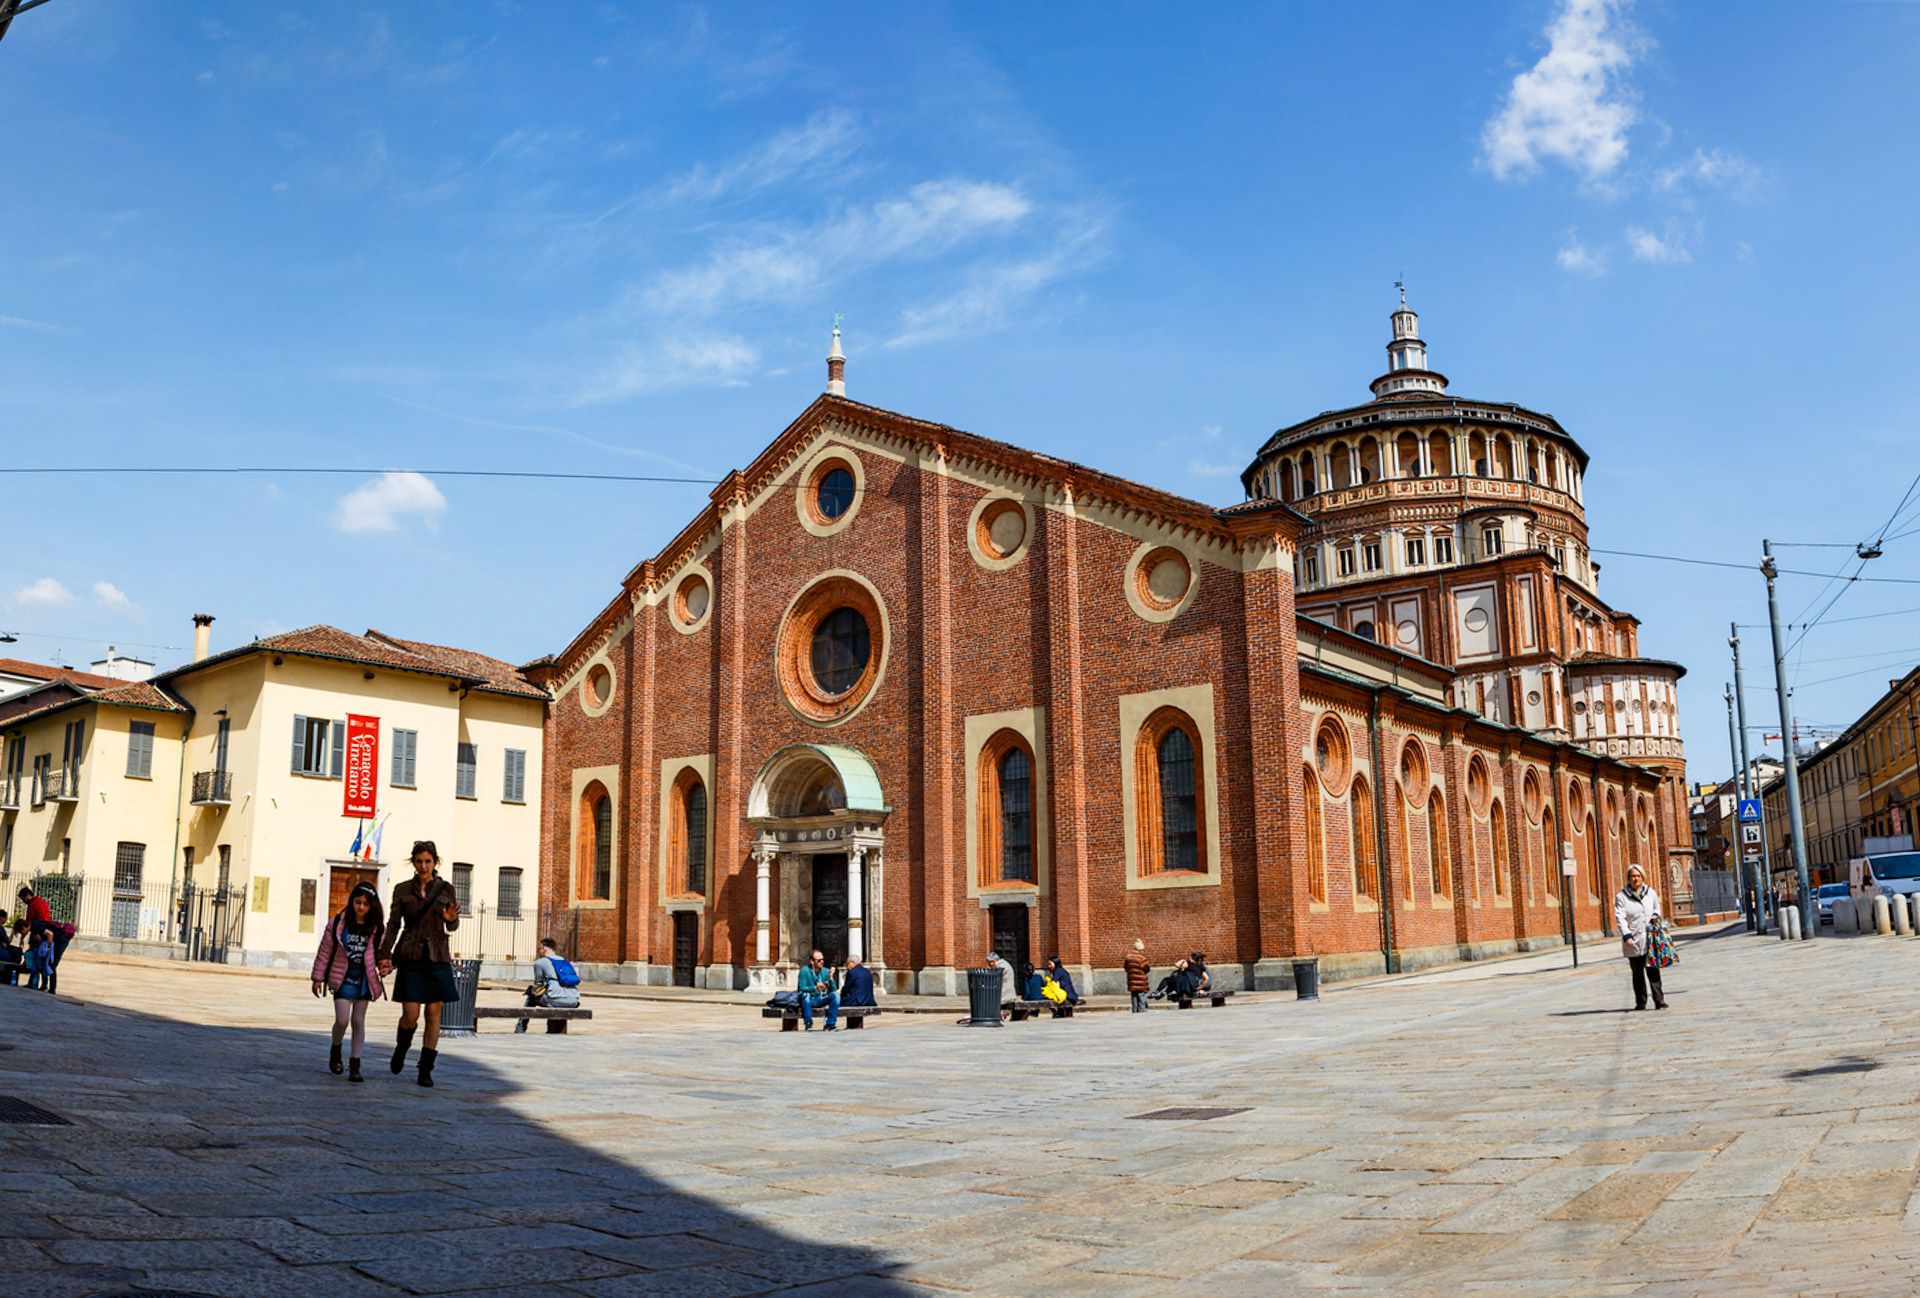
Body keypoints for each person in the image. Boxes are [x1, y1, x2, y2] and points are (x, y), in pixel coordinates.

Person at [378, 841, 463, 1086]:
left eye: (428, 861)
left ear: (435, 862)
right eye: (419, 861)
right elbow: (394, 924)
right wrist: (385, 953)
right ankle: (402, 1047)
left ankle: (425, 1069)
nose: (423, 866)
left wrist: (451, 920)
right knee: (410, 1015)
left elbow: (452, 924)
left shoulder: (447, 889)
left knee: (433, 1014)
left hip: (437, 957)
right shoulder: (402, 889)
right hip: (411, 956)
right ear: (413, 863)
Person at [311, 882, 385, 1082]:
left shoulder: (376, 929)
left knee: (359, 1021)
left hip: (364, 980)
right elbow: (325, 951)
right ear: (351, 900)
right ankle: (336, 1049)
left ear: (372, 907)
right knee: (342, 1020)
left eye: (365, 904)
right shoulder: (338, 923)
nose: (361, 907)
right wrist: (318, 977)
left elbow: (381, 954)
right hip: (342, 977)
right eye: (357, 902)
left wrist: (386, 965)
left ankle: (355, 1064)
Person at [1614, 863, 1668, 1011]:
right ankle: (1640, 1002)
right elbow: (1620, 917)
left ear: (1642, 877)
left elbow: (1657, 907)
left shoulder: (1650, 893)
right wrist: (1627, 935)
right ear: (1628, 878)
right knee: (1637, 974)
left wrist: (1656, 915)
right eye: (1633, 876)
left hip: (1650, 938)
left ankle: (1659, 1000)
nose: (1636, 879)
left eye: (1638, 876)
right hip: (1633, 940)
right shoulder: (1622, 897)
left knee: (1653, 970)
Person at [517, 937, 581, 1033]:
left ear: (544, 950)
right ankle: (551, 1029)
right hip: (573, 1000)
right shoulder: (564, 961)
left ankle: (520, 1029)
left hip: (556, 999)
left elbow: (538, 985)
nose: (539, 951)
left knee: (531, 998)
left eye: (540, 948)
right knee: (552, 997)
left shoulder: (540, 962)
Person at [798, 949, 838, 1031]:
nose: (822, 962)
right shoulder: (804, 971)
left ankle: (830, 1023)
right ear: (812, 961)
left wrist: (830, 978)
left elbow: (832, 990)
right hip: (808, 999)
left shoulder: (826, 971)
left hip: (820, 998)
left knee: (836, 995)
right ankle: (808, 1023)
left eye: (823, 959)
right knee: (805, 995)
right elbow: (801, 988)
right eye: (819, 960)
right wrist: (814, 988)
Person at [1124, 939, 1151, 1012]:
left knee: (1134, 997)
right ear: (1140, 949)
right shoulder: (1142, 958)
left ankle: (1135, 1011)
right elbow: (1147, 968)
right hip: (1141, 981)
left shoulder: (1128, 958)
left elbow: (1126, 968)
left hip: (1132, 981)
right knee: (1141, 997)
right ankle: (1142, 1011)